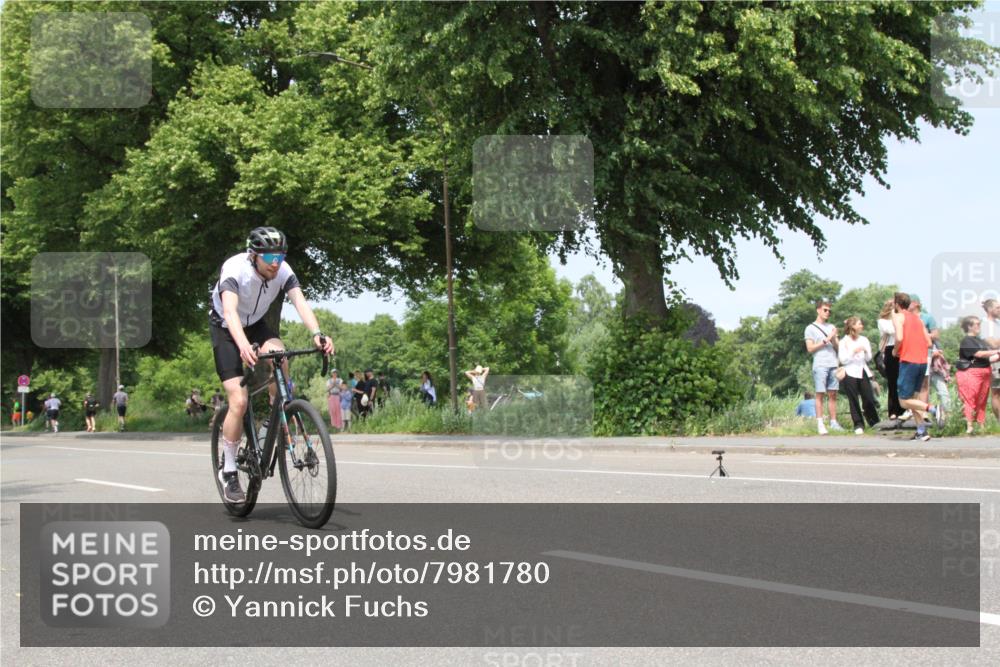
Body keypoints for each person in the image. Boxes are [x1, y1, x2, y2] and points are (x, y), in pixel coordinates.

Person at [208, 226, 334, 504]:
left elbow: (300, 302)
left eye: (279, 258)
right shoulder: (234, 268)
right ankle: (228, 469)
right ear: (254, 256)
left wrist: (317, 333)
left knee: (281, 356)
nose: (275, 265)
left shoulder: (283, 269)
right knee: (238, 402)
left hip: (256, 325)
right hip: (227, 329)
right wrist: (242, 346)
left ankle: (278, 414)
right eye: (270, 259)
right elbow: (229, 312)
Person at [891, 292, 937, 442]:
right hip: (922, 361)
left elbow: (899, 337)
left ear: (897, 304)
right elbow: (929, 343)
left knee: (903, 401)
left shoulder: (898, 316)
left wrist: (895, 350)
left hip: (909, 361)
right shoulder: (918, 320)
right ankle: (921, 431)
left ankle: (934, 409)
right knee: (913, 399)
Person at [804, 299, 843, 434]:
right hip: (820, 364)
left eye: (829, 311)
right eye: (825, 310)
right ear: (818, 310)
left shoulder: (831, 326)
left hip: (833, 363)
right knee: (820, 394)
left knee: (833, 394)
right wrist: (826, 340)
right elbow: (810, 348)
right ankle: (820, 423)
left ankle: (833, 422)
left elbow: (838, 347)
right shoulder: (810, 328)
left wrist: (833, 339)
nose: (828, 313)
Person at [956, 315, 1000, 434]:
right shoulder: (967, 340)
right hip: (971, 373)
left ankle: (981, 426)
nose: (979, 326)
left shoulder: (980, 340)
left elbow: (987, 358)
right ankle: (969, 426)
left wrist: (997, 357)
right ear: (969, 326)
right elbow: (979, 354)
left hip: (984, 372)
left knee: (982, 401)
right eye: (977, 324)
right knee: (970, 399)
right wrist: (996, 351)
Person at [837, 317, 880, 434]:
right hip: (849, 372)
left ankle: (874, 422)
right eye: (859, 324)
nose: (862, 326)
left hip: (862, 370)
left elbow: (868, 358)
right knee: (853, 399)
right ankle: (858, 424)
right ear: (853, 327)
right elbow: (843, 360)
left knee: (869, 398)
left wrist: (865, 351)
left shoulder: (864, 339)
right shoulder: (843, 342)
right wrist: (853, 352)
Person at [907, 294, 940, 406]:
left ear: (916, 303)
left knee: (924, 383)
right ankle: (912, 410)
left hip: (925, 353)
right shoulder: (904, 317)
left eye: (909, 302)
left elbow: (935, 335)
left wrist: (922, 335)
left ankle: (923, 411)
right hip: (908, 353)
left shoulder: (927, 317)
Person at [877, 299, 903, 422]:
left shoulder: (901, 319)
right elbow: (893, 331)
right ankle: (893, 410)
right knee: (892, 382)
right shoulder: (882, 321)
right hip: (890, 349)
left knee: (902, 382)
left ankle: (904, 409)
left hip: (902, 349)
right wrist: (896, 319)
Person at [982, 299, 1000, 421]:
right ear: (989, 309)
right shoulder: (985, 324)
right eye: (998, 307)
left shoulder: (998, 323)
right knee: (997, 393)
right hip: (995, 362)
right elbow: (992, 344)